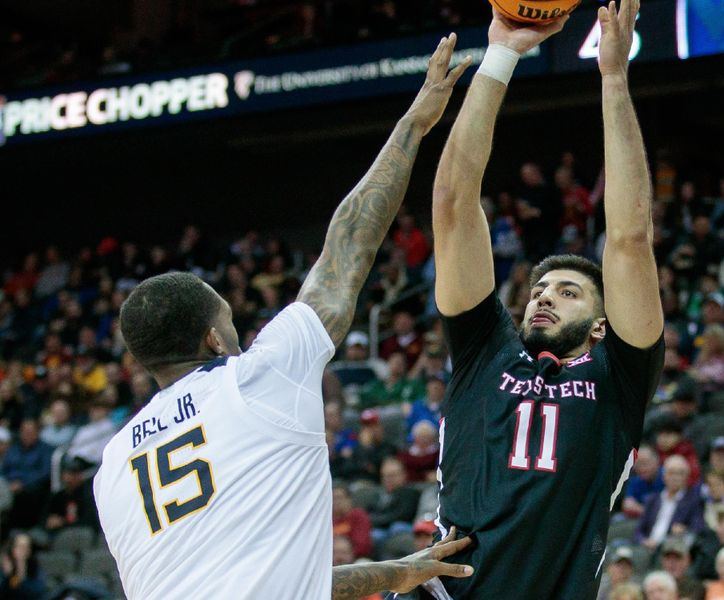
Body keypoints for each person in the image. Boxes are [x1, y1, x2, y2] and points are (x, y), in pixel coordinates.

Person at [93, 35, 474, 600]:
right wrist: (413, 126)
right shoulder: (255, 378)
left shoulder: (113, 464)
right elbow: (349, 245)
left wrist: (397, 572)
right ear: (215, 338)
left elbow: (272, 581)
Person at [425, 1, 664, 597]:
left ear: (603, 325)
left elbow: (631, 240)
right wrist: (501, 51)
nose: (544, 297)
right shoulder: (486, 351)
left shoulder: (619, 378)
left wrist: (614, 79)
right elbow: (455, 207)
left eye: (568, 291)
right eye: (538, 289)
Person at [635, 455, 705, 551]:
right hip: (646, 547)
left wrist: (684, 530)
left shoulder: (694, 501)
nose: (675, 477)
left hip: (670, 549)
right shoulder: (652, 500)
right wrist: (644, 541)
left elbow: (697, 528)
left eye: (680, 473)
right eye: (671, 473)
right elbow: (639, 530)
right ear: (664, 476)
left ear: (686, 477)